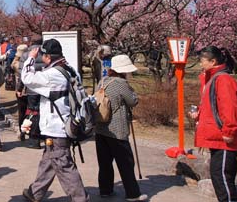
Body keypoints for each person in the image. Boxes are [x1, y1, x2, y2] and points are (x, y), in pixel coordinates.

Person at [21, 39, 90, 202]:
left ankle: (80, 198)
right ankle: (35, 192)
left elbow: (27, 78)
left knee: (63, 165)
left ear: (48, 56)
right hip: (68, 122)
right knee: (49, 160)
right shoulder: (70, 69)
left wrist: (30, 58)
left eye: (42, 55)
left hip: (56, 126)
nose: (41, 58)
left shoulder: (52, 75)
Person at [190, 46, 237, 202]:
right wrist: (199, 114)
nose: (200, 64)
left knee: (222, 177)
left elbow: (230, 108)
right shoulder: (213, 79)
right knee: (218, 176)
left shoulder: (223, 79)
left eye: (202, 61)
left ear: (212, 61)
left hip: (224, 138)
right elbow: (212, 106)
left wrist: (229, 131)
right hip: (218, 136)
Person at [94, 54, 147, 201]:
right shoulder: (121, 83)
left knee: (104, 163)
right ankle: (133, 193)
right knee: (126, 163)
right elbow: (132, 101)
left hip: (101, 128)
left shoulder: (102, 81)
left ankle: (105, 190)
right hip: (117, 129)